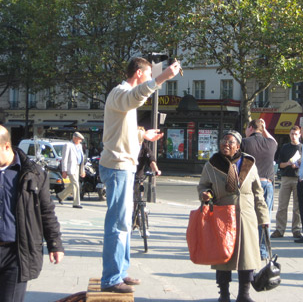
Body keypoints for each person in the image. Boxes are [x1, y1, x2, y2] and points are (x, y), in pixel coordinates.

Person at [99, 57, 180, 293]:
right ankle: (112, 278)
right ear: (138, 74)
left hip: (122, 165)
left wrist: (142, 135)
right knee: (117, 223)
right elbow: (136, 96)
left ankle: (120, 272)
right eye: (147, 75)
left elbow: (120, 128)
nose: (148, 80)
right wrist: (162, 78)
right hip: (118, 166)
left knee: (123, 222)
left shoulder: (121, 97)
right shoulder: (121, 93)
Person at [198, 130, 269, 302]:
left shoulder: (249, 163)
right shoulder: (212, 164)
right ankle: (223, 294)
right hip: (223, 214)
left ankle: (244, 294)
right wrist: (206, 194)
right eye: (223, 141)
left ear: (238, 146)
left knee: (247, 257)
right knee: (223, 256)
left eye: (230, 142)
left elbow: (258, 193)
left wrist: (264, 218)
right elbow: (202, 186)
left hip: (246, 216)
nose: (226, 144)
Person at [0, 125, 64, 302]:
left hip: (17, 253)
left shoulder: (33, 173)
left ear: (6, 146)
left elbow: (46, 211)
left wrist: (55, 243)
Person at [241, 119, 277, 259]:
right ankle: (263, 251)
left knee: (248, 217)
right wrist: (265, 128)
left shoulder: (245, 142)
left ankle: (249, 248)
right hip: (267, 183)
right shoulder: (271, 144)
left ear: (250, 128)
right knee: (264, 218)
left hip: (250, 184)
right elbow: (274, 140)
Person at [271, 126, 302, 239]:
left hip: (298, 178)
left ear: (300, 135)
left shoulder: (302, 147)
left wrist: (297, 165)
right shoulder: (285, 147)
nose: (293, 136)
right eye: (292, 134)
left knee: (297, 206)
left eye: (296, 134)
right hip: (286, 178)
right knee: (282, 205)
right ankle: (280, 229)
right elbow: (279, 164)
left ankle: (296, 229)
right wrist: (288, 164)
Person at [57, 132, 86, 209]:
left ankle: (60, 196)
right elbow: (64, 159)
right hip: (71, 168)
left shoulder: (79, 146)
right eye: (79, 139)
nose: (80, 141)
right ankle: (76, 203)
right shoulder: (68, 145)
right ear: (75, 138)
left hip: (77, 167)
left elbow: (81, 158)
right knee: (76, 184)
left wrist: (82, 170)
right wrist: (64, 170)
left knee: (73, 184)